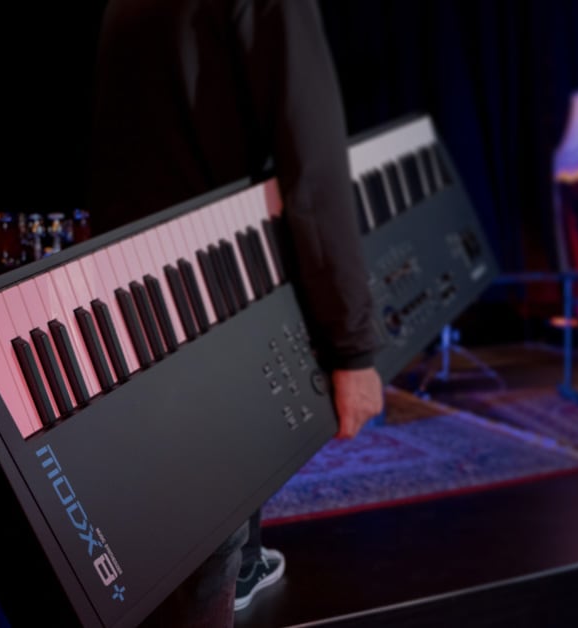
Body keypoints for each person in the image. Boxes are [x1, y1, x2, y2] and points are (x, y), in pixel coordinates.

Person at [85, 0, 383, 625]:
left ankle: (244, 559)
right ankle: (232, 563)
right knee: (202, 557)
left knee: (164, 529)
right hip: (213, 286)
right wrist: (353, 349)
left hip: (125, 288)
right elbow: (314, 171)